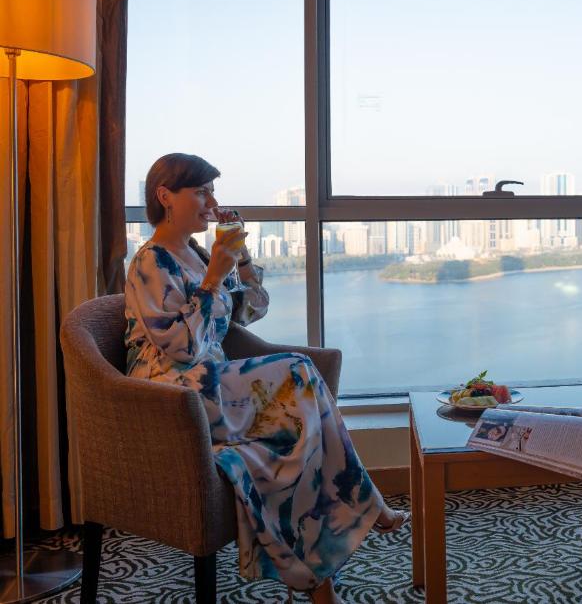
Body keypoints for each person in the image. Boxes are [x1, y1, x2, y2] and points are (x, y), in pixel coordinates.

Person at [124, 153, 408, 604]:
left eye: (212, 191)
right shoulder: (150, 263)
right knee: (299, 371)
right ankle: (364, 504)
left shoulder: (196, 254)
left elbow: (253, 310)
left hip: (212, 381)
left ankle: (318, 574)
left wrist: (240, 260)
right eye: (201, 191)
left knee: (297, 434)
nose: (212, 200)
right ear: (165, 196)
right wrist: (214, 277)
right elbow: (181, 348)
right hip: (171, 395)